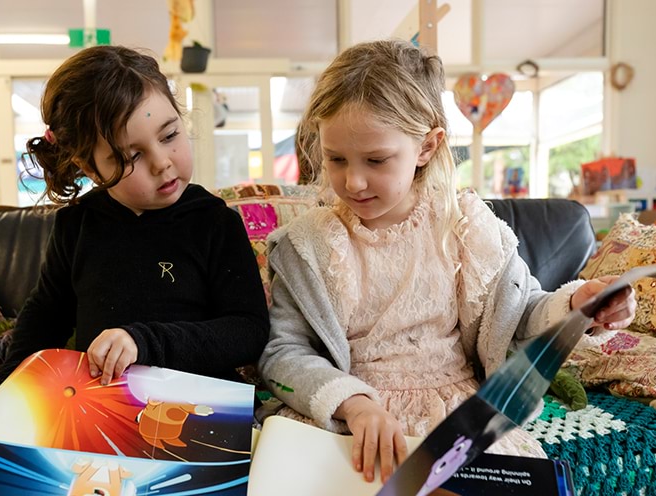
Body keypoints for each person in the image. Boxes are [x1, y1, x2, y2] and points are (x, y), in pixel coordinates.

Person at [259, 39, 636, 484]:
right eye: (336, 159)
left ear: (427, 146)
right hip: (348, 414)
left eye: (376, 159)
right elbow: (282, 352)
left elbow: (522, 314)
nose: (353, 180)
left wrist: (578, 306)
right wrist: (353, 403)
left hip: (456, 415)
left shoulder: (470, 230)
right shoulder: (310, 246)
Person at [0, 45, 269, 390]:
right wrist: (5, 392)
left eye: (169, 135)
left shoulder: (215, 222)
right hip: (103, 407)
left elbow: (248, 331)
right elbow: (44, 318)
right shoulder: (76, 226)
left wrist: (145, 342)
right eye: (132, 156)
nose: (162, 162)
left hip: (200, 405)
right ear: (89, 167)